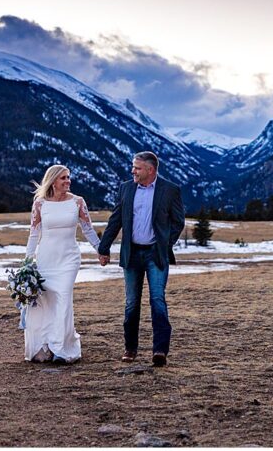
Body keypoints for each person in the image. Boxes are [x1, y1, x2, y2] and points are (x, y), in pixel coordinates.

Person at [97, 151, 185, 367]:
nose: (132, 171)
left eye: (137, 168)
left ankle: (160, 351)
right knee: (131, 303)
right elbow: (116, 219)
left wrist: (165, 244)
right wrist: (104, 247)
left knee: (157, 300)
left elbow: (178, 221)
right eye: (133, 167)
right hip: (132, 254)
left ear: (150, 170)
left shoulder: (170, 190)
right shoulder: (126, 188)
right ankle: (130, 348)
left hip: (156, 254)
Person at [23, 164, 101, 364]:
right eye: (63, 178)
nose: (68, 181)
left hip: (69, 258)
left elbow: (88, 229)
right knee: (47, 302)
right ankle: (45, 346)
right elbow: (34, 234)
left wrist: (100, 250)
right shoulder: (40, 204)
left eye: (68, 177)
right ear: (53, 181)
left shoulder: (78, 202)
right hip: (46, 259)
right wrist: (28, 261)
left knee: (64, 298)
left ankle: (61, 348)